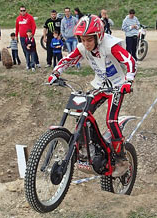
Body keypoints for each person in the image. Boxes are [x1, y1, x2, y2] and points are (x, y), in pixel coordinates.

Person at [48, 15, 136, 177]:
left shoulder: (110, 46)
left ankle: (121, 158)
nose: (86, 43)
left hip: (117, 86)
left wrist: (129, 81)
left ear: (98, 36)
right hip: (99, 86)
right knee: (82, 113)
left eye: (89, 40)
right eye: (83, 39)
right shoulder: (82, 47)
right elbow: (69, 59)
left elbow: (129, 60)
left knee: (111, 120)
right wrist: (56, 72)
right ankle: (86, 147)